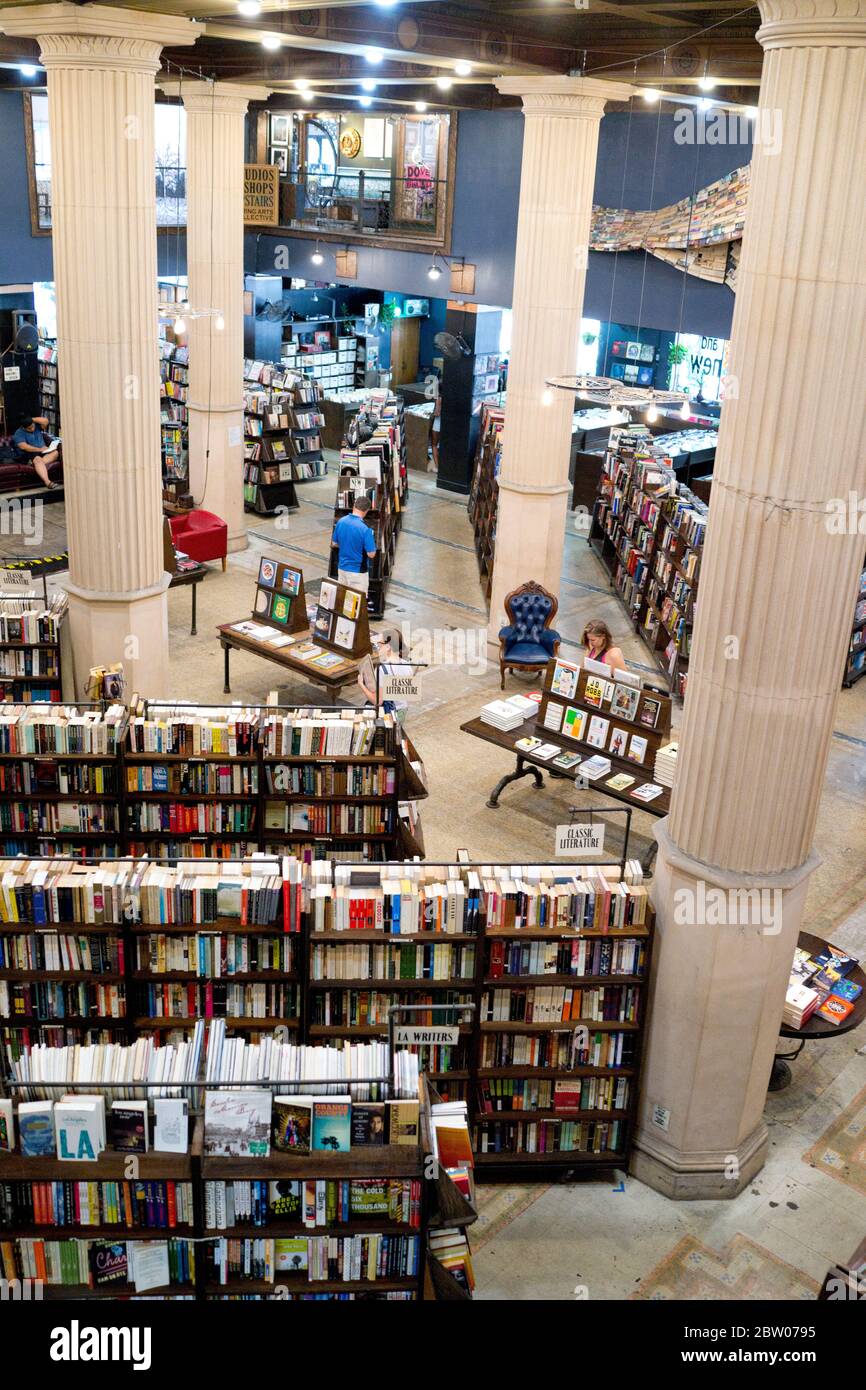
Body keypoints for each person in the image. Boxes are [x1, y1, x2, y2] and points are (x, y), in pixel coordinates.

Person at [358, 630, 411, 726]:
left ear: (388, 647)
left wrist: (362, 685)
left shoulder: (382, 669)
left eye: (380, 644)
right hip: (402, 711)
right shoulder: (407, 664)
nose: (378, 646)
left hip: (389, 714)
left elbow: (377, 701)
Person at [331, 494, 376, 593]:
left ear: (354, 506)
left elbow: (334, 543)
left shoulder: (341, 522)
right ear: (366, 511)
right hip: (357, 573)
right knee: (356, 604)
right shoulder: (365, 529)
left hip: (342, 568)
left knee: (342, 600)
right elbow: (371, 554)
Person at [12, 416, 61, 489]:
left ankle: (36, 465)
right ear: (23, 427)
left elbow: (46, 421)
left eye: (32, 426)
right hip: (30, 454)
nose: (32, 429)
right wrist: (40, 449)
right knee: (38, 459)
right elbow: (24, 447)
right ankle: (48, 482)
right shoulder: (18, 433)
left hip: (43, 452)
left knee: (55, 453)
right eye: (29, 428)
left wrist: (31, 419)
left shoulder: (36, 426)